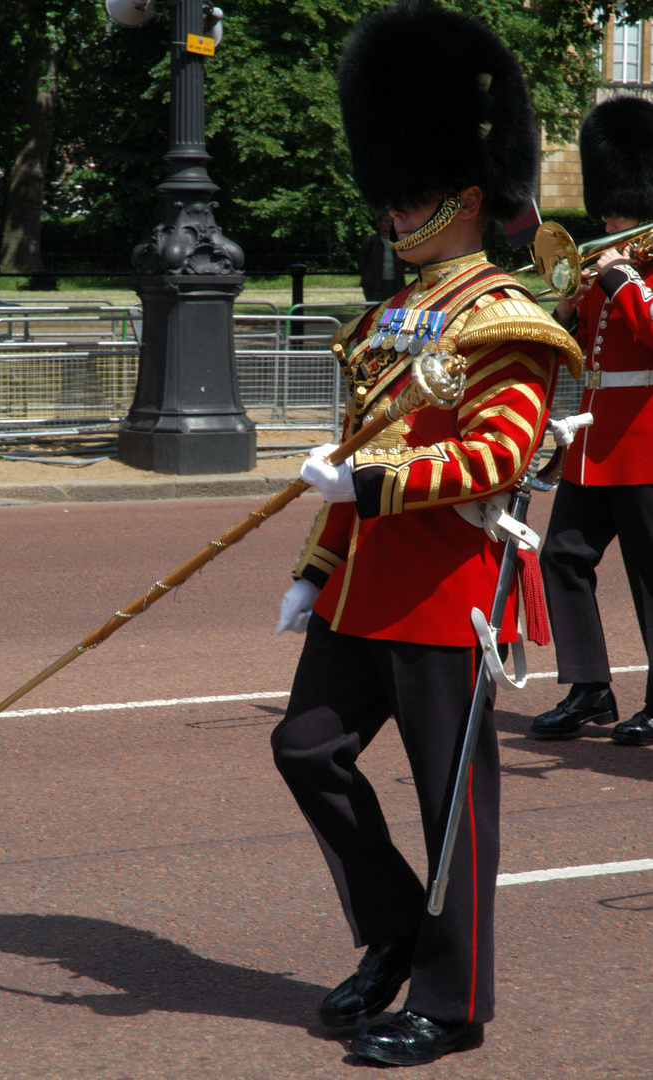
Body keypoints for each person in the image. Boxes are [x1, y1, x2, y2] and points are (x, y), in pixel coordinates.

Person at [271, 1, 580, 1068]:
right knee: (304, 748)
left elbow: (497, 457)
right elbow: (357, 446)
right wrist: (317, 564)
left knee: (454, 808)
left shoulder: (508, 321)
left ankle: (451, 1004)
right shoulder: (388, 319)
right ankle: (395, 929)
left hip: (449, 587)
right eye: (392, 195)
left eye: (412, 197)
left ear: (466, 195)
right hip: (364, 586)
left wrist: (364, 478)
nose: (395, 214)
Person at [530, 95, 653, 749]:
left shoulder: (638, 270)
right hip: (597, 439)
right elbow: (582, 352)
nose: (609, 220)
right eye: (607, 208)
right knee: (563, 556)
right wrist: (571, 303)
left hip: (648, 442)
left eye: (622, 209)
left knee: (650, 574)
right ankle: (589, 685)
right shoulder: (607, 267)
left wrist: (624, 279)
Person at [357, 209, 408, 301]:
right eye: (386, 221)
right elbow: (362, 263)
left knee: (391, 310)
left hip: (395, 284)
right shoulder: (370, 242)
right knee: (376, 310)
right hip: (375, 286)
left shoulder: (399, 242)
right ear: (379, 223)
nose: (389, 224)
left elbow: (404, 262)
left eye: (391, 221)